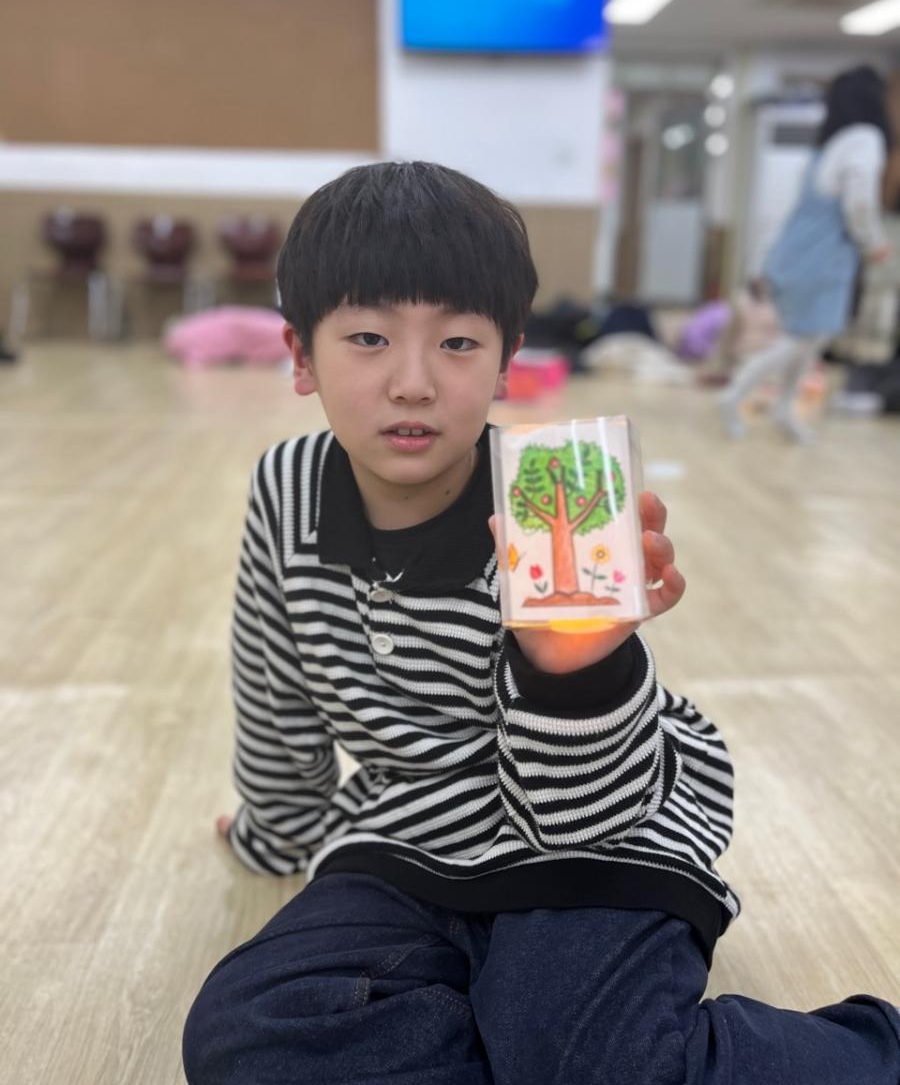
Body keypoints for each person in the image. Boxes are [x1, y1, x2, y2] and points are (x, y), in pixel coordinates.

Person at [182, 162, 899, 1084]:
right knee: (245, 1034)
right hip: (409, 835)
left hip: (604, 828)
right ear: (301, 356)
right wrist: (274, 833)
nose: (412, 382)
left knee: (588, 1056)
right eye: (367, 338)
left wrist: (574, 673)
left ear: (507, 359)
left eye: (458, 343)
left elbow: (584, 817)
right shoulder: (286, 486)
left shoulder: (556, 491)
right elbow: (274, 684)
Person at [719, 65, 894, 441]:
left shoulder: (830, 144)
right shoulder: (865, 139)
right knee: (803, 340)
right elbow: (860, 203)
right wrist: (874, 243)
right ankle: (734, 394)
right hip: (820, 258)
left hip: (794, 254)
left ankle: (784, 410)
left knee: (806, 341)